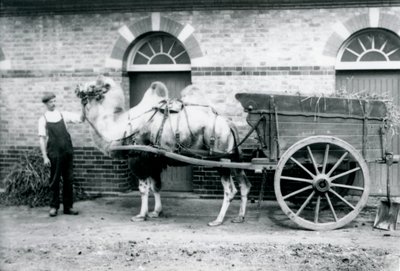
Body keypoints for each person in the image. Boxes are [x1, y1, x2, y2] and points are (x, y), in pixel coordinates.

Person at [38, 92, 85, 217]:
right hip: (54, 153)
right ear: (45, 104)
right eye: (50, 102)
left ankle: (68, 207)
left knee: (68, 180)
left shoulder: (62, 115)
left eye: (54, 101)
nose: (53, 103)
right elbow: (42, 139)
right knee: (55, 180)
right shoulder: (43, 118)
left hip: (67, 152)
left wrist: (84, 106)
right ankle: (54, 207)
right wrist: (45, 156)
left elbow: (81, 119)